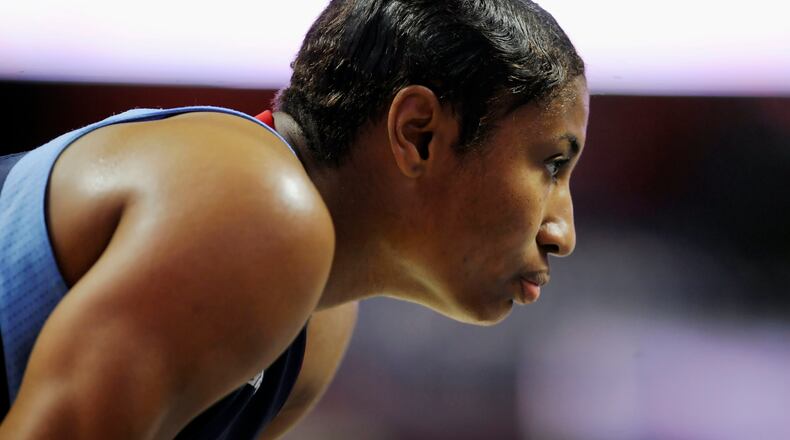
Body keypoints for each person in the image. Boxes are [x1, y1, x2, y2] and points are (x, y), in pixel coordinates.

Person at [0, 0, 588, 438]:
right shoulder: (254, 209)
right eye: (552, 165)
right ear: (420, 133)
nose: (562, 232)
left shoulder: (317, 332)